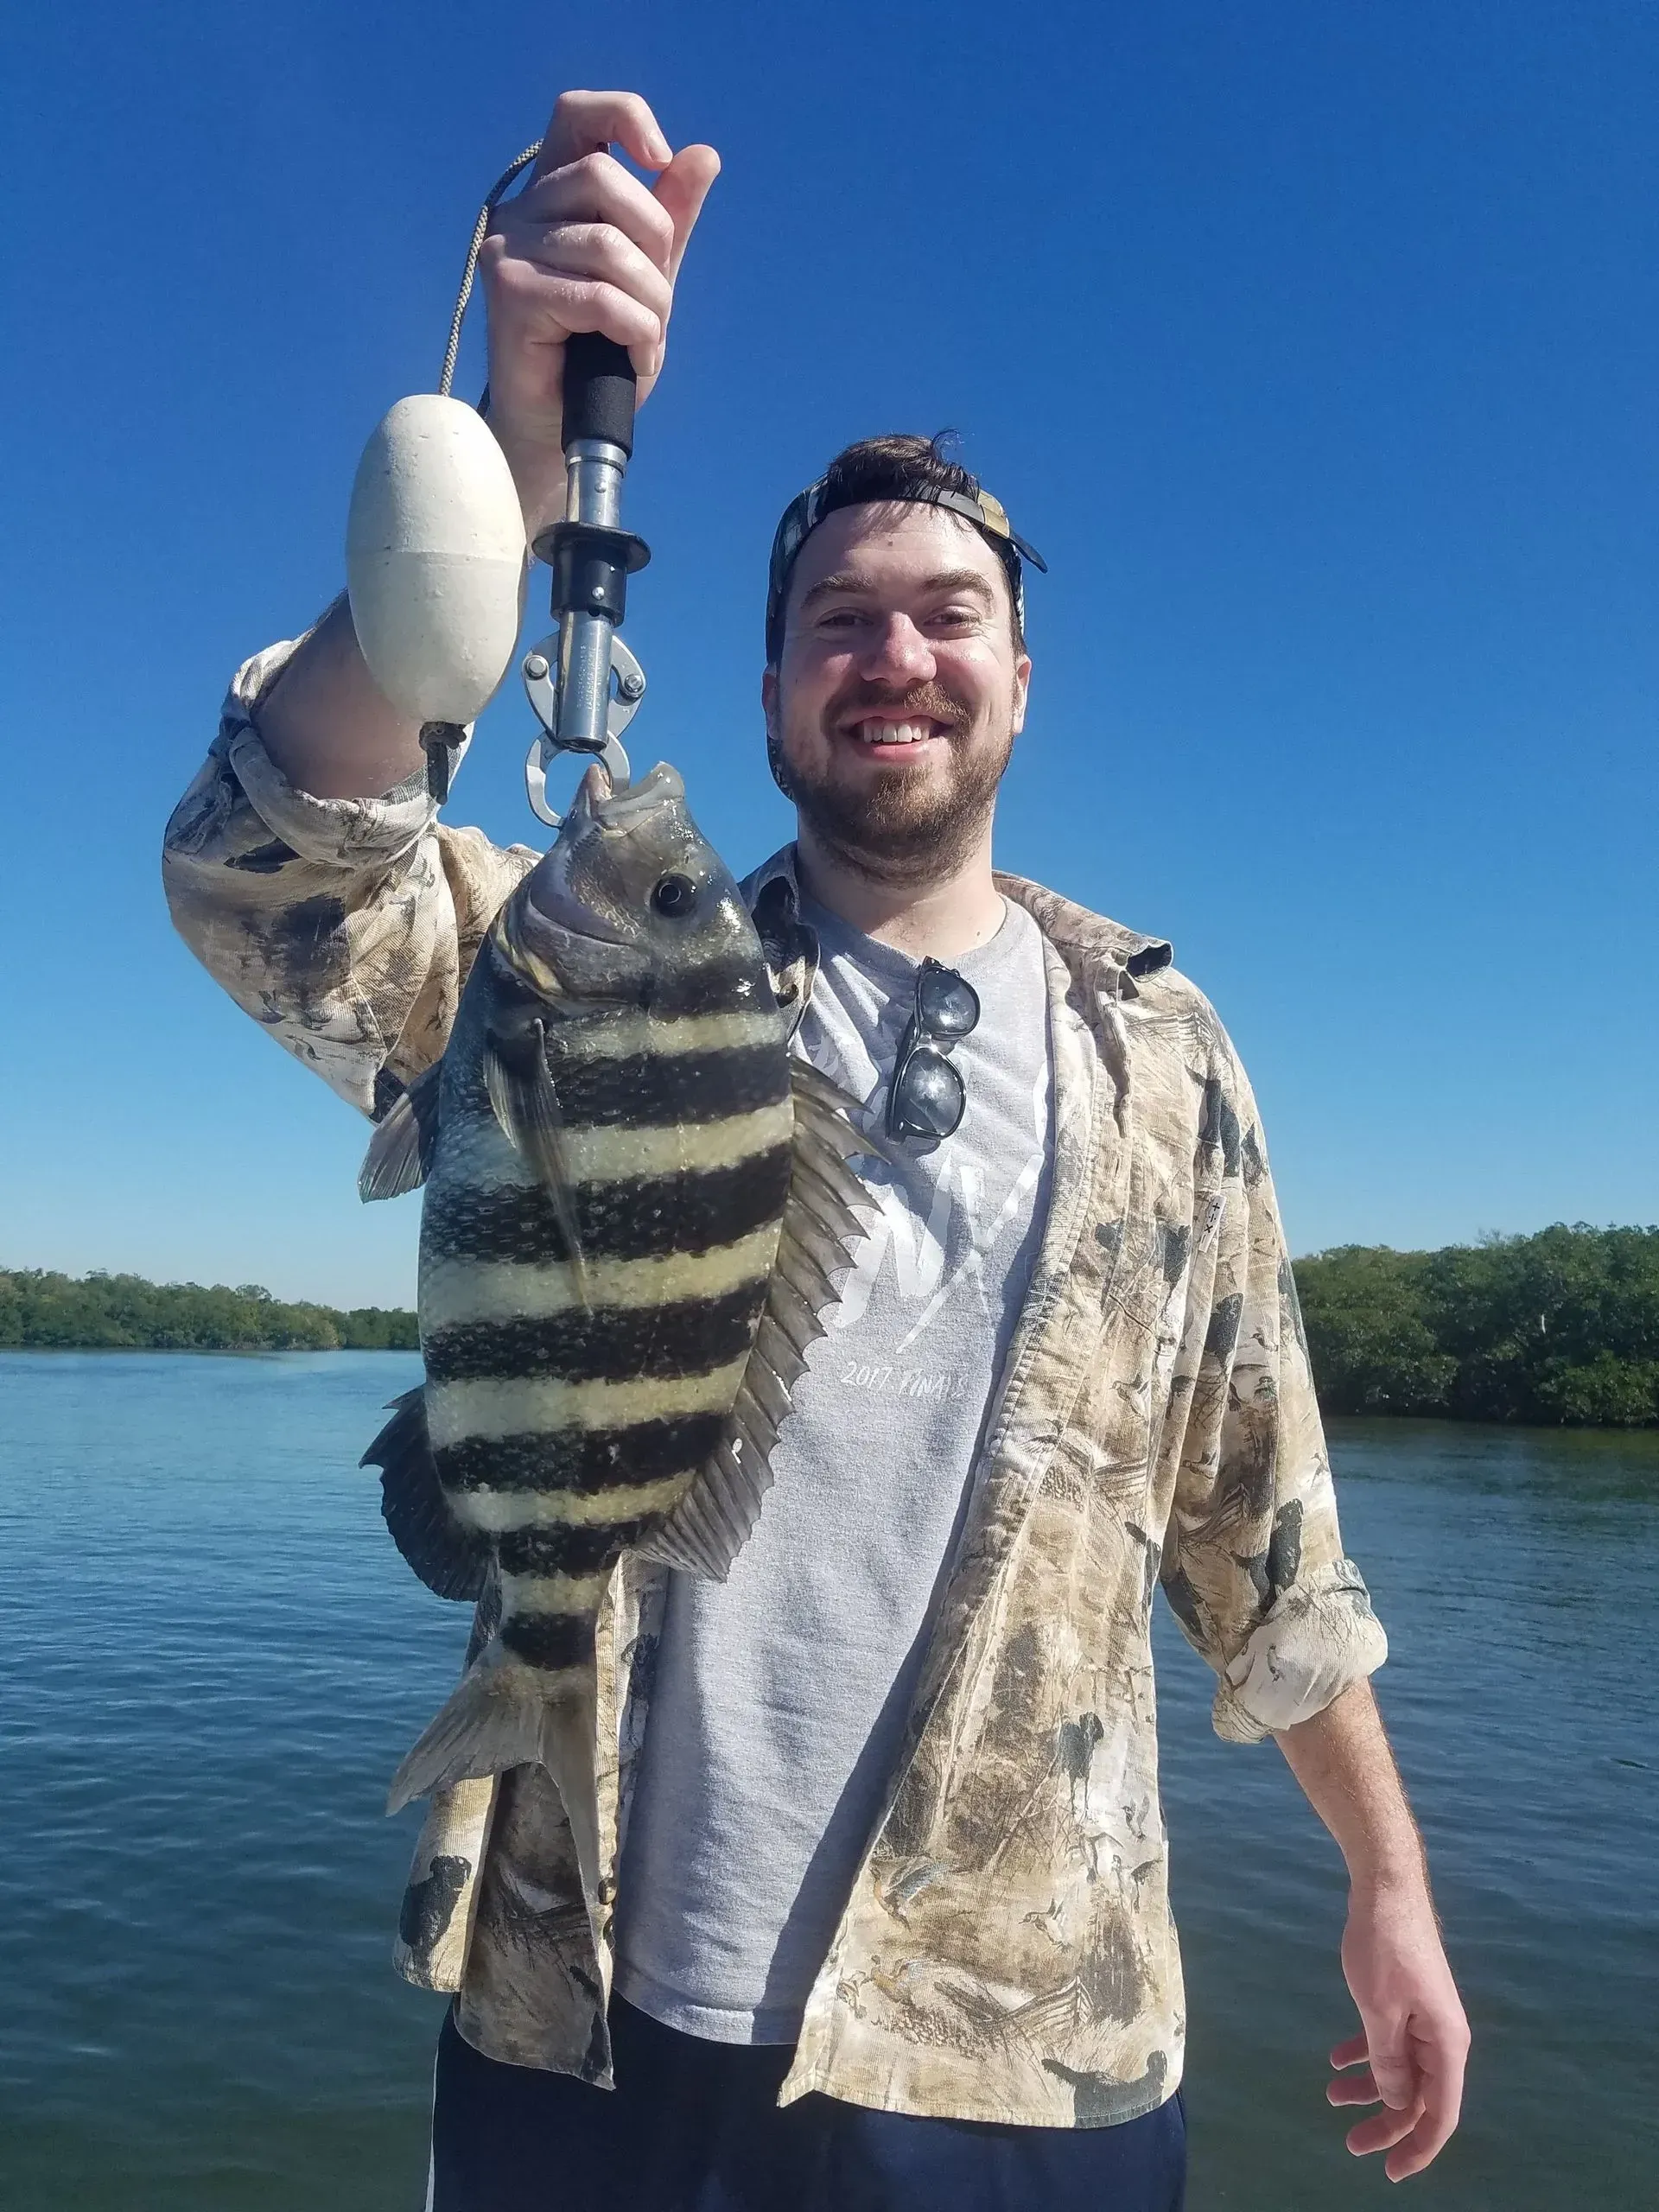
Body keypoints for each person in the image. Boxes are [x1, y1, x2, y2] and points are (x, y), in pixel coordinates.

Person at [162, 88, 1470, 2212]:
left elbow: (1267, 1532)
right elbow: (269, 872)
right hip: (582, 1996)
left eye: (947, 614)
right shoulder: (573, 971)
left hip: (1023, 2034)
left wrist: (1390, 1888)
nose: (897, 654)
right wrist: (498, 446)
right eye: (843, 619)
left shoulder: (1170, 1055)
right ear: (773, 688)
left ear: (1022, 681)